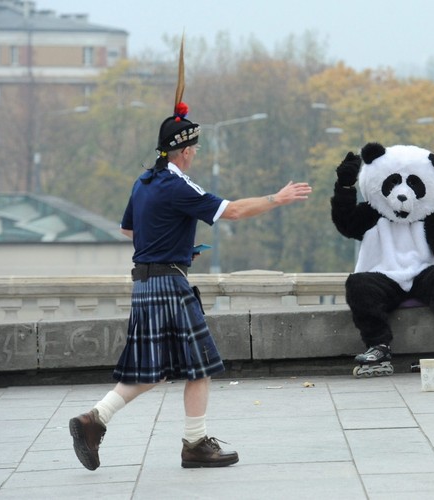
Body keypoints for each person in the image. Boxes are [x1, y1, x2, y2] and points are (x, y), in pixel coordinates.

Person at [68, 102, 312, 470]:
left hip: (148, 282)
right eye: (194, 149)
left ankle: (95, 419)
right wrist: (276, 198)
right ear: (184, 150)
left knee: (153, 369)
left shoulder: (145, 181)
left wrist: (175, 247)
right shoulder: (175, 184)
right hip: (169, 285)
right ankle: (195, 444)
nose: (195, 154)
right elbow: (232, 211)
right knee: (199, 365)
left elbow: (129, 230)